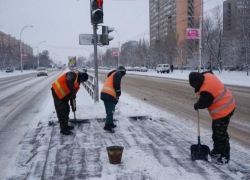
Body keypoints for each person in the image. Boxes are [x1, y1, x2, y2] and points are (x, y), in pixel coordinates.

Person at [189, 71, 235, 165]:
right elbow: (209, 72)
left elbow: (204, 103)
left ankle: (224, 156)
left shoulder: (207, 90)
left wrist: (196, 105)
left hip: (224, 110)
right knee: (216, 130)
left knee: (220, 134)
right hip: (228, 102)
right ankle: (217, 151)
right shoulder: (207, 75)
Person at [51, 70, 89, 135]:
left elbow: (72, 97)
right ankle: (63, 129)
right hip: (57, 91)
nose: (83, 82)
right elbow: (68, 81)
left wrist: (73, 106)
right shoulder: (73, 74)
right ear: (81, 78)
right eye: (83, 81)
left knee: (66, 109)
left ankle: (66, 126)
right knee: (62, 110)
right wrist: (73, 92)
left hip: (63, 96)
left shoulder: (77, 84)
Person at [101, 66, 126, 133]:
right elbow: (116, 84)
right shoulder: (118, 73)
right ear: (122, 72)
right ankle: (107, 126)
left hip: (105, 93)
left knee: (109, 110)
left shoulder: (113, 73)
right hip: (109, 94)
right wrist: (118, 92)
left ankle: (110, 123)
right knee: (111, 111)